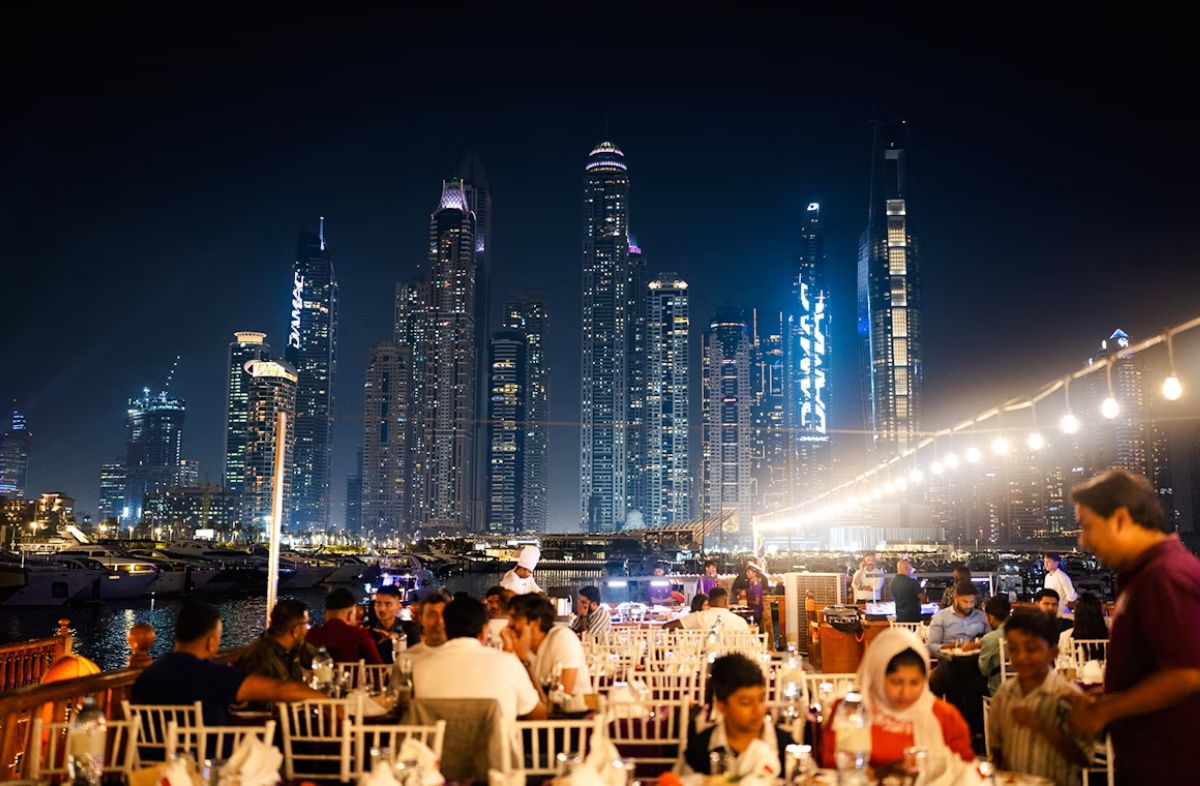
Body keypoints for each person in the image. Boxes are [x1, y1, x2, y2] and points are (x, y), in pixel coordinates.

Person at [1065, 470, 1200, 785]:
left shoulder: (1163, 576)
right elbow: (1159, 669)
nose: (1082, 540)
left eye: (1087, 526)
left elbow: (1187, 674)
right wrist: (1105, 694)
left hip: (1173, 768)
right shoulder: (1147, 575)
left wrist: (1106, 710)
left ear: (1121, 519)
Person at [819, 628, 973, 781]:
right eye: (896, 682)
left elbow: (965, 771)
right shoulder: (851, 711)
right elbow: (831, 763)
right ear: (876, 676)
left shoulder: (944, 716)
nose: (905, 693)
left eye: (915, 683)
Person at [132, 603, 323, 724]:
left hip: (153, 769)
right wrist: (329, 702)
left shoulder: (147, 677)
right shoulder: (214, 676)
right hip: (210, 764)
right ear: (211, 642)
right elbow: (281, 689)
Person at [988, 609, 1090, 784]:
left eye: (1031, 649)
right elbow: (997, 749)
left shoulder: (1066, 696)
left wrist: (1042, 726)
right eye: (1013, 649)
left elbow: (1083, 758)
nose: (1022, 657)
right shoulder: (1004, 694)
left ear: (1053, 652)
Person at [412, 596, 548, 721]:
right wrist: (524, 661)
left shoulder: (420, 667)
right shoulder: (508, 663)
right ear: (484, 632)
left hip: (437, 748)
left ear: (445, 629)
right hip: (497, 747)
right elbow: (542, 716)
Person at [674, 653, 796, 774]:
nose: (758, 710)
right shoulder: (700, 750)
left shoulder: (785, 746)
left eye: (761, 699)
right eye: (746, 703)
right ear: (721, 707)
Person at [504, 594, 593, 712]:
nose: (509, 624)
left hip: (573, 721)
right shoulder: (522, 645)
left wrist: (523, 661)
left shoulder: (563, 638)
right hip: (537, 720)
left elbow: (561, 698)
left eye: (515, 617)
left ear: (535, 622)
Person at [238, 598, 314, 683]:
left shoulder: (295, 647)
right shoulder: (260, 660)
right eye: (306, 624)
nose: (308, 628)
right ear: (296, 631)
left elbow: (317, 658)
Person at [306, 588, 383, 664]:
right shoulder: (360, 636)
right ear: (350, 615)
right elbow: (379, 670)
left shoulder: (312, 634)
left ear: (325, 614)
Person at [926, 581, 988, 657]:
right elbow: (931, 647)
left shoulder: (981, 616)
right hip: (951, 660)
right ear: (955, 598)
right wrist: (954, 646)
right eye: (965, 602)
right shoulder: (940, 617)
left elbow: (991, 641)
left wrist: (977, 645)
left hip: (977, 660)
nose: (969, 606)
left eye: (972, 602)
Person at [664, 587, 750, 632]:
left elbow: (666, 627)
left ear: (709, 601)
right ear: (726, 601)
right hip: (731, 663)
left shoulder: (699, 617)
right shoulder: (740, 621)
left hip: (703, 661)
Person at [369, 585, 419, 662]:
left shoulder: (410, 629)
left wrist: (398, 640)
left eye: (388, 604)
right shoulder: (367, 632)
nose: (382, 609)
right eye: (378, 604)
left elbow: (417, 657)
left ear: (399, 607)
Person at [1057, 592, 1108, 667]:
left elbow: (1062, 663)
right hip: (1105, 675)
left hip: (1077, 675)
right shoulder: (1110, 635)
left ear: (1077, 615)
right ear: (1099, 614)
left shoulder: (1066, 636)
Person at [977, 595, 1012, 696]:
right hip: (1024, 689)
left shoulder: (989, 638)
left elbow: (984, 670)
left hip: (999, 690)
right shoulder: (1024, 633)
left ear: (991, 617)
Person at [408, 588, 453, 657]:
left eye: (444, 614)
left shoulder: (463, 655)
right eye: (432, 615)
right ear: (421, 618)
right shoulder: (408, 658)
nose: (439, 621)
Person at [889, 557, 926, 623]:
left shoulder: (892, 583)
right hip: (915, 620)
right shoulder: (913, 582)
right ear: (907, 569)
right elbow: (924, 600)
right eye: (911, 569)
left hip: (900, 620)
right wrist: (923, 590)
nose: (911, 571)